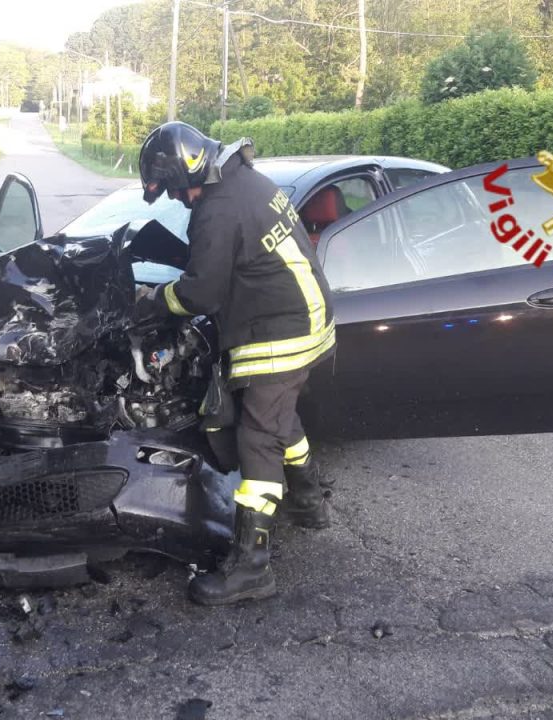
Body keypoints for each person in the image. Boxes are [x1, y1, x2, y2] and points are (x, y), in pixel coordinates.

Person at [135, 121, 336, 606]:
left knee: (257, 438)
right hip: (309, 317)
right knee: (279, 416)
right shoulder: (246, 180)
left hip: (280, 329)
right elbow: (228, 259)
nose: (179, 201)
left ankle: (251, 567)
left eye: (175, 191)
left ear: (185, 174)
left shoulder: (217, 208)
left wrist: (149, 301)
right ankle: (309, 505)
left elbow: (200, 293)